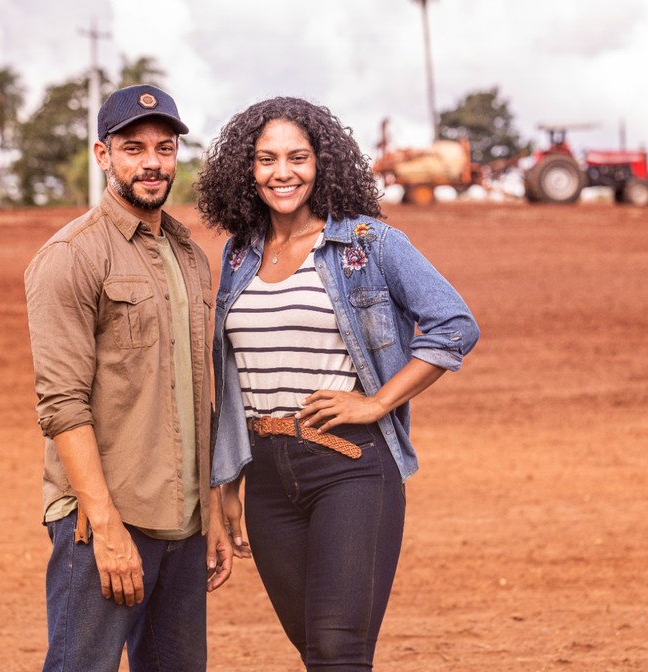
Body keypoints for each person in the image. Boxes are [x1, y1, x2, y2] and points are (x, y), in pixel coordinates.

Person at [195, 97, 479, 670]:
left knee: (338, 649)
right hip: (267, 474)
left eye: (297, 158)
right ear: (245, 170)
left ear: (322, 162)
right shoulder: (239, 253)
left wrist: (377, 402)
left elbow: (455, 324)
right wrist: (226, 484)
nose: (282, 173)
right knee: (317, 652)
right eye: (266, 159)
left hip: (350, 466)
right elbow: (230, 376)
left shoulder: (370, 243)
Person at [24, 84, 233, 672]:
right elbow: (61, 404)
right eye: (133, 148)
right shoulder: (72, 256)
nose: (152, 163)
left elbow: (201, 395)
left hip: (183, 524)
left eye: (164, 149)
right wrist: (106, 527)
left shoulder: (190, 254)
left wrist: (210, 514)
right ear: (102, 155)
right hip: (104, 525)